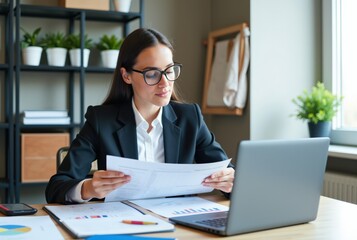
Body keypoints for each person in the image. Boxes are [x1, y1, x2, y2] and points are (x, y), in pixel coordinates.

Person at [45, 28, 234, 204]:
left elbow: (229, 174)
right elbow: (57, 186)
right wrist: (87, 189)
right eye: (152, 74)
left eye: (169, 71)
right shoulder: (101, 121)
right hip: (123, 225)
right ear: (126, 76)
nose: (165, 83)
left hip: (178, 223)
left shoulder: (190, 118)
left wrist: (230, 182)